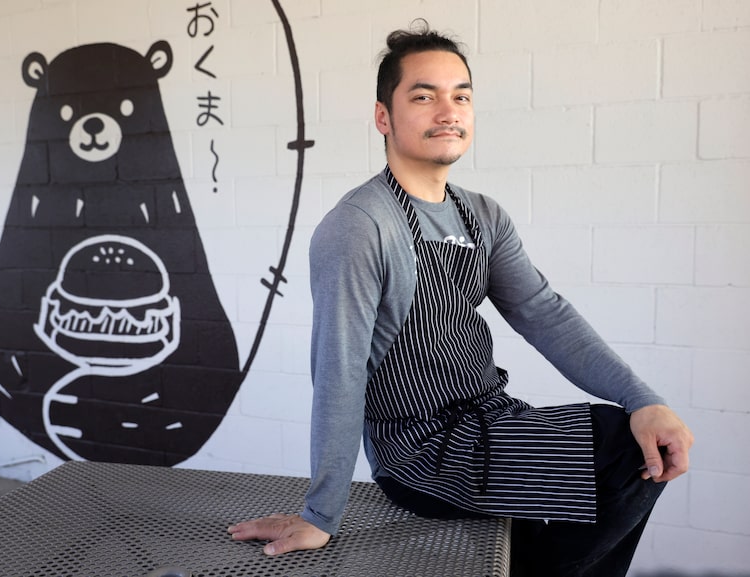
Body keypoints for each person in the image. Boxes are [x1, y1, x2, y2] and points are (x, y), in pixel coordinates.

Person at [228, 20, 694, 576]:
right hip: (418, 451)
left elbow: (543, 313)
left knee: (647, 443)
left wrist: (643, 399)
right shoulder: (359, 226)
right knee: (621, 451)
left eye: (461, 96)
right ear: (384, 117)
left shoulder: (483, 215)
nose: (448, 111)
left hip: (487, 419)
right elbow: (339, 372)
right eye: (423, 96)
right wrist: (321, 512)